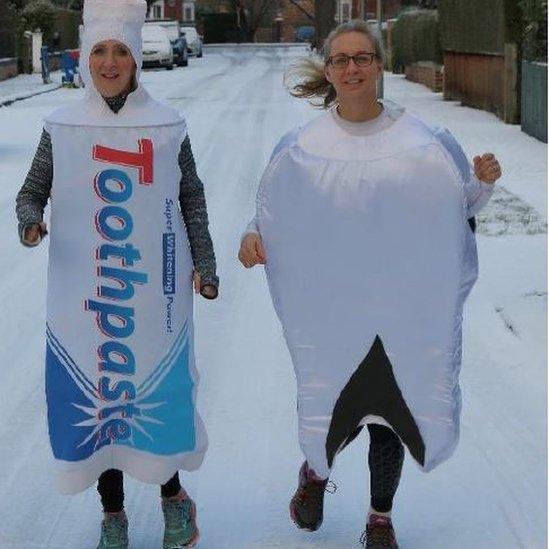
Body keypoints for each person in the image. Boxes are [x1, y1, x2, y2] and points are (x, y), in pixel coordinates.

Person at [239, 19, 501, 549]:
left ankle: (380, 520)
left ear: (380, 65)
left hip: (401, 310)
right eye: (342, 60)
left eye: (362, 58)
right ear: (329, 70)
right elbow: (272, 212)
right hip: (336, 311)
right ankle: (314, 475)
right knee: (340, 410)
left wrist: (483, 184)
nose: (352, 68)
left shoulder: (425, 142)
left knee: (391, 418)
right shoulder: (301, 146)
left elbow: (455, 209)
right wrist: (251, 237)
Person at [15, 1, 218, 548]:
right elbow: (32, 190)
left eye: (121, 52)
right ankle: (113, 515)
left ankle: (174, 499)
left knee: (152, 400)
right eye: (100, 51)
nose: (110, 62)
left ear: (135, 61)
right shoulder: (62, 127)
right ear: (86, 58)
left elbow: (191, 196)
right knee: (101, 402)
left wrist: (206, 263)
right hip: (87, 294)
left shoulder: (167, 125)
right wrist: (31, 222)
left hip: (153, 297)